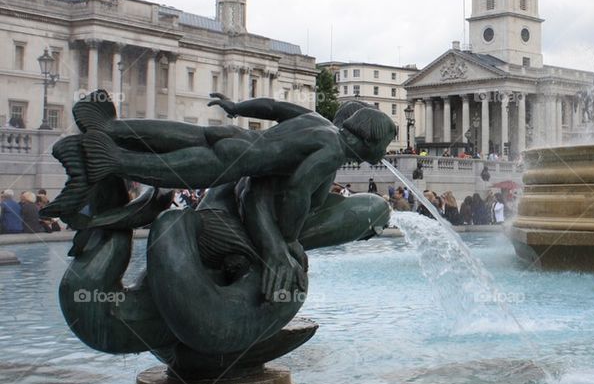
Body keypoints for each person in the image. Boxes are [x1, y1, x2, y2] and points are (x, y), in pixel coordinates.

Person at [44, 92, 397, 301]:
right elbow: (298, 188)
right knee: (154, 167)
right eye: (382, 146)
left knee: (188, 134)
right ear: (369, 141)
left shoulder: (317, 120)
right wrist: (286, 240)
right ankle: (107, 161)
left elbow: (273, 107)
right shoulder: (333, 150)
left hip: (235, 138)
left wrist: (237, 107)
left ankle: (109, 128)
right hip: (235, 162)